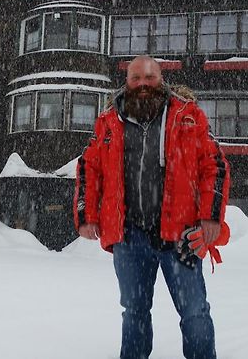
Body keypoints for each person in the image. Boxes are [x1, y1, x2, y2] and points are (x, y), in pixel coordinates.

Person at [73, 55, 230, 359]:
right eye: (136, 78)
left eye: (149, 78)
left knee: (194, 312)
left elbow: (215, 165)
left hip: (181, 235)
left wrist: (210, 218)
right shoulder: (108, 121)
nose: (143, 84)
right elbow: (88, 167)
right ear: (127, 81)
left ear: (161, 79)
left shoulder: (189, 116)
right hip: (130, 236)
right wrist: (85, 215)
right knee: (134, 312)